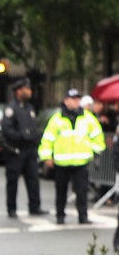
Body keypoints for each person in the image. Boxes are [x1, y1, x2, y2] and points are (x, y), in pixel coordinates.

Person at [38, 87, 105, 224]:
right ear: (65, 100)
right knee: (61, 191)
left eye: (77, 99)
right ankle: (60, 216)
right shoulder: (56, 119)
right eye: (73, 99)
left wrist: (93, 152)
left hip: (81, 162)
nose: (76, 102)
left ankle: (83, 216)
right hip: (61, 162)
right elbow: (47, 139)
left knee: (81, 191)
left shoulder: (88, 118)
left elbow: (98, 137)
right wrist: (46, 157)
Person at [1, 77, 46, 219]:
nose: (30, 91)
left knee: (33, 180)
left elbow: (34, 127)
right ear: (19, 91)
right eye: (27, 89)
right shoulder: (11, 108)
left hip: (30, 151)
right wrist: (22, 136)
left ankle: (35, 206)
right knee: (13, 181)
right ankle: (11, 208)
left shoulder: (30, 108)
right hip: (16, 151)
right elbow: (7, 130)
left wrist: (34, 137)